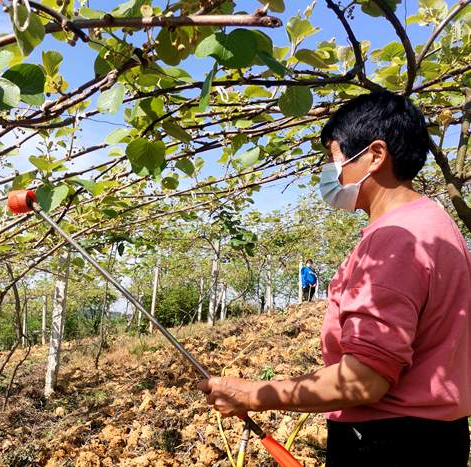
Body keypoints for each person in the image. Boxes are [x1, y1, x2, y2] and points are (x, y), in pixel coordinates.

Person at [198, 90, 471, 466]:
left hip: (389, 443)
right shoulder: (437, 224)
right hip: (437, 437)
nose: (332, 173)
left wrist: (250, 394)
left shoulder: (394, 240)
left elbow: (364, 379)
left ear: (375, 155)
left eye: (336, 158)